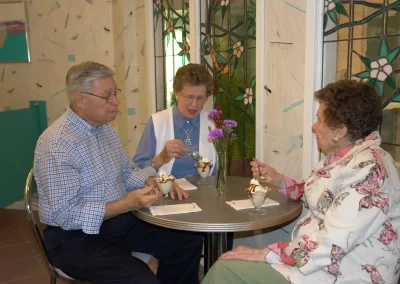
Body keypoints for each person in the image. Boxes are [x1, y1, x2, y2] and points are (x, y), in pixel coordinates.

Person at [202, 80, 400, 284]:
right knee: (230, 264)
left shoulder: (370, 170)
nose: (314, 127)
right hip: (320, 264)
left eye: (319, 120)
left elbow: (333, 243)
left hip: (345, 273)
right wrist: (279, 180)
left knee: (225, 270)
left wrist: (268, 253)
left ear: (339, 132)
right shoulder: (347, 156)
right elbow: (325, 195)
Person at [34, 61, 203, 284]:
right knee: (141, 280)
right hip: (73, 239)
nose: (116, 102)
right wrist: (125, 204)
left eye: (116, 93)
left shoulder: (104, 130)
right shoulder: (58, 144)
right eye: (107, 96)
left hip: (116, 223)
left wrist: (154, 179)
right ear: (80, 99)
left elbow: (127, 173)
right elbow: (67, 215)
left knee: (186, 239)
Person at [133, 63, 216, 178]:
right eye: (189, 97)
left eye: (200, 98)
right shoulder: (157, 122)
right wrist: (161, 158)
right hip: (166, 193)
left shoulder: (212, 124)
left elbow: (218, 171)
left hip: (205, 193)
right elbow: (136, 170)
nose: (194, 104)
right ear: (177, 93)